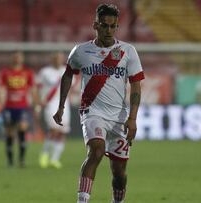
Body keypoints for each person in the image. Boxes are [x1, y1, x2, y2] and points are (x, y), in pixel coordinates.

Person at [52, 4, 145, 203]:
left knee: (119, 173)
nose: (109, 30)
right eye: (104, 26)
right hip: (92, 111)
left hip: (119, 117)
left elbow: (136, 86)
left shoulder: (127, 51)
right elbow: (67, 75)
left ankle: (117, 201)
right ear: (96, 25)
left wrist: (133, 119)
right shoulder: (81, 51)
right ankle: (82, 200)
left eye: (113, 26)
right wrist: (61, 105)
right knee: (96, 151)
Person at [0, 51, 39, 168]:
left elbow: (33, 89)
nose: (17, 59)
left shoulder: (27, 72)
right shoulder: (6, 72)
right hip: (9, 107)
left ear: (22, 59)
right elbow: (0, 88)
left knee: (22, 129)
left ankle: (21, 160)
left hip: (23, 107)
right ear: (12, 59)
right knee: (9, 133)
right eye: (15, 57)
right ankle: (10, 161)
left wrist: (36, 104)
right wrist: (0, 102)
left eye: (19, 57)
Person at [37, 52, 71, 169]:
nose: (58, 60)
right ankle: (44, 154)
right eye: (56, 58)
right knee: (53, 130)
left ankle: (54, 159)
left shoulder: (67, 71)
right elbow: (38, 87)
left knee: (62, 133)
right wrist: (39, 100)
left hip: (64, 104)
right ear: (52, 59)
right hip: (50, 104)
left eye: (60, 58)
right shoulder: (45, 72)